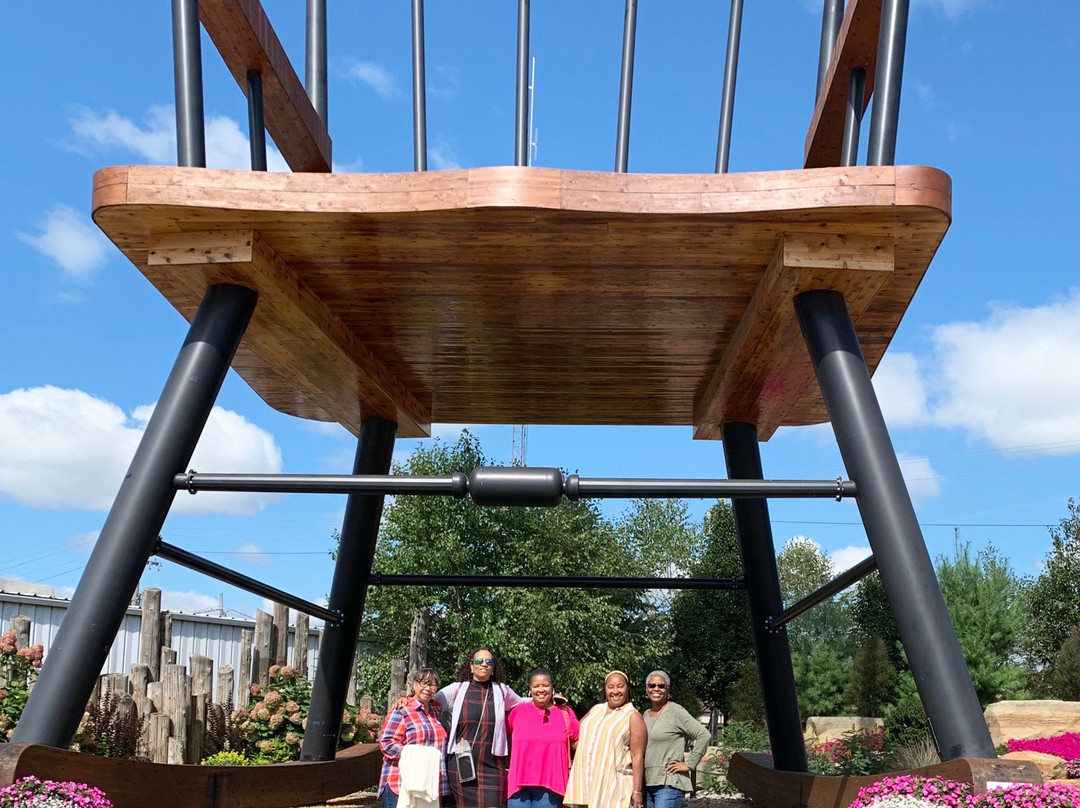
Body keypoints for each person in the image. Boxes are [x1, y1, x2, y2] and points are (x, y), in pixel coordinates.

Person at [435, 647, 525, 808]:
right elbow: (428, 703)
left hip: (491, 766)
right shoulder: (456, 690)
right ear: (471, 666)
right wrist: (407, 701)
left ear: (493, 668)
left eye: (489, 662)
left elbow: (523, 704)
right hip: (461, 764)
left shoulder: (502, 691)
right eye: (479, 661)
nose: (484, 664)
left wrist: (551, 699)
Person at [563, 670, 646, 808]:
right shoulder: (596, 709)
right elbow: (577, 736)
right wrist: (561, 711)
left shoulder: (633, 716)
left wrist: (637, 791)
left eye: (620, 686)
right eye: (611, 687)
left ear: (627, 689)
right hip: (586, 783)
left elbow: (637, 756)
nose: (615, 691)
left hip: (613, 786)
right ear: (605, 689)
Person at [506, 667, 581, 808]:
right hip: (519, 785)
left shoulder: (565, 713)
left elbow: (580, 742)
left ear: (552, 688)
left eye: (545, 685)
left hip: (552, 786)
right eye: (536, 686)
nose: (541, 690)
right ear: (530, 689)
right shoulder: (517, 712)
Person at [379, 667, 449, 808]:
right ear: (414, 685)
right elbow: (386, 743)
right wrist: (418, 757)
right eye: (424, 683)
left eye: (432, 684)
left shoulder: (436, 712)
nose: (428, 688)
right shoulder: (402, 709)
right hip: (400, 782)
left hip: (427, 785)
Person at [641, 671, 710, 808]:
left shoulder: (675, 711)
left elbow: (704, 735)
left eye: (661, 686)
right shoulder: (645, 715)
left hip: (668, 784)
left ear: (668, 689)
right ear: (646, 688)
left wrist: (689, 764)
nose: (656, 689)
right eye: (652, 685)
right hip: (647, 783)